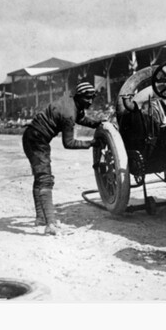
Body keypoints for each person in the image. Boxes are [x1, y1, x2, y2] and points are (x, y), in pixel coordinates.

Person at [22, 82, 101, 235]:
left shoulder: (73, 103)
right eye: (87, 98)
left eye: (92, 98)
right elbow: (69, 143)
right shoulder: (68, 113)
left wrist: (97, 123)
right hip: (36, 139)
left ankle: (41, 218)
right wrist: (91, 143)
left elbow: (81, 119)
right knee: (45, 179)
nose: (90, 101)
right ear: (79, 97)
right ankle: (50, 224)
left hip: (32, 136)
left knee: (40, 179)